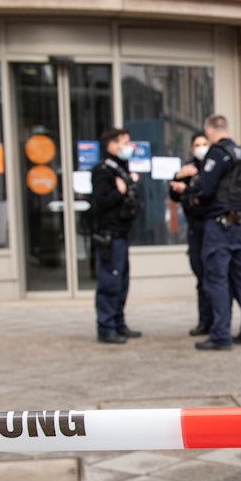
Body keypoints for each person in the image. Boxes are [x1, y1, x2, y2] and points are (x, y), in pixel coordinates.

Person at [185, 114, 241, 351]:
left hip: (220, 224)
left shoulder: (218, 153)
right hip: (239, 223)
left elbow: (205, 188)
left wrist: (189, 189)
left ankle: (220, 335)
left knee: (216, 279)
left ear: (209, 131)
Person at [91, 128, 142, 344]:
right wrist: (118, 192)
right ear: (112, 145)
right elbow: (100, 203)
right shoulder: (103, 170)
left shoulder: (121, 169)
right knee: (110, 283)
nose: (129, 147)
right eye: (124, 142)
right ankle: (107, 328)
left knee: (121, 283)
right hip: (109, 235)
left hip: (121, 233)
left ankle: (119, 323)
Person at [169, 131, 215, 336]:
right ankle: (204, 320)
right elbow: (174, 194)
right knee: (201, 276)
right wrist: (178, 177)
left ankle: (218, 321)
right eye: (197, 144)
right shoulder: (188, 168)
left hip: (211, 228)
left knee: (214, 277)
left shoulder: (213, 168)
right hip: (195, 228)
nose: (201, 147)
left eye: (204, 143)